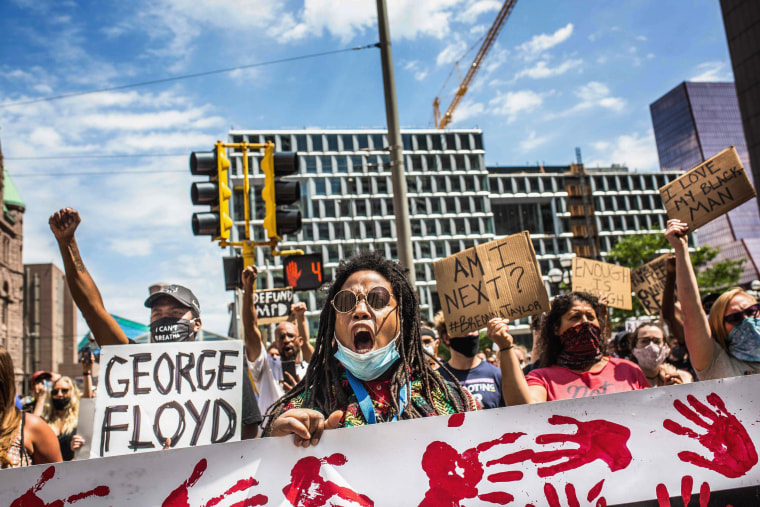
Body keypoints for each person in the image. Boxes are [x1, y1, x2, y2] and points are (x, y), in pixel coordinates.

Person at [49, 207, 261, 440]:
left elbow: (248, 434)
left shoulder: (224, 369)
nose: (164, 318)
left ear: (197, 324)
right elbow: (93, 311)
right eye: (157, 314)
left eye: (175, 312)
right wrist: (68, 243)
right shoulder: (135, 363)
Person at [264, 250, 478, 445]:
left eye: (377, 299)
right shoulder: (302, 409)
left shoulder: (453, 402)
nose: (360, 310)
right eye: (346, 302)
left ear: (402, 318)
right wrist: (277, 446)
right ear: (333, 325)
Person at [489, 291, 649, 405]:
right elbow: (523, 408)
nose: (585, 322)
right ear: (556, 329)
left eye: (591, 317)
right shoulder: (542, 379)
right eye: (575, 317)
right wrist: (505, 347)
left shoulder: (629, 371)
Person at [666, 218, 760, 379]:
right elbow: (692, 313)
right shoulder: (716, 363)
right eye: (735, 318)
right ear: (719, 329)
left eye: (752, 311)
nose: (748, 321)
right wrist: (681, 249)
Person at [242, 266, 310, 416]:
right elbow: (250, 328)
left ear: (300, 341)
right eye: (281, 337)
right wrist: (248, 289)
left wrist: (299, 396)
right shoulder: (266, 368)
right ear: (275, 343)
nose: (286, 340)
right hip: (270, 438)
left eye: (291, 336)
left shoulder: (310, 372)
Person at [1, 347, 62, 468]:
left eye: (46, 381)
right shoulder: (27, 401)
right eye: (38, 381)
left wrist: (42, 398)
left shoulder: (31, 426)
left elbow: (58, 481)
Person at [434, 310, 505, 409]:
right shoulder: (437, 379)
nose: (471, 334)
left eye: (474, 328)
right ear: (446, 337)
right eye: (464, 329)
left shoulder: (496, 374)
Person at [629, 323, 692, 387]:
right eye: (644, 341)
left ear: (666, 347)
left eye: (657, 341)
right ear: (634, 348)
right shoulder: (627, 381)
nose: (651, 346)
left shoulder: (682, 377)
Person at [41, 376, 86, 461]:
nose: (59, 394)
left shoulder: (80, 420)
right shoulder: (45, 420)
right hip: (50, 470)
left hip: (72, 469)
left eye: (64, 391)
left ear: (72, 393)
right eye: (55, 392)